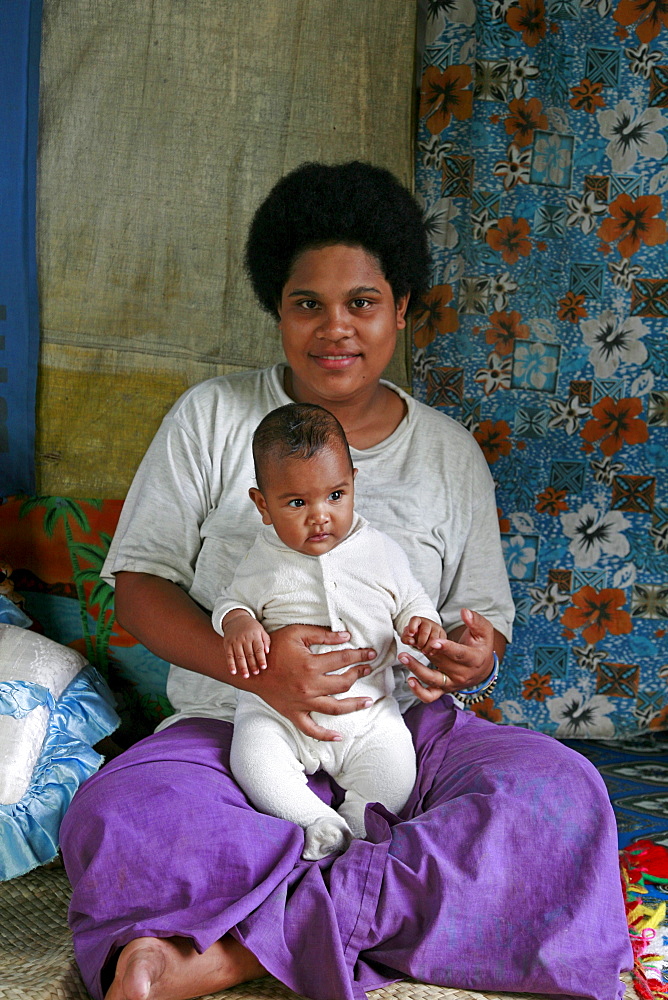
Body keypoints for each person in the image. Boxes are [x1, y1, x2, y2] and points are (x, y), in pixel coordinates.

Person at [60, 160, 631, 1000]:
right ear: (277, 310)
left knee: (562, 797)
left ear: (402, 308)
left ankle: (237, 949)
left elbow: (484, 622)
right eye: (307, 304)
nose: (336, 328)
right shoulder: (212, 419)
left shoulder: (447, 452)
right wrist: (254, 668)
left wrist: (470, 657)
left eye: (362, 302)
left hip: (401, 726)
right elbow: (141, 586)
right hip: (231, 729)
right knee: (115, 817)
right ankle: (378, 904)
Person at [214, 402, 449, 861]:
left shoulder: (380, 551)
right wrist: (238, 621)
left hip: (368, 712)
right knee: (253, 759)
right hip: (277, 713)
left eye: (335, 496)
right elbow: (231, 601)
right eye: (297, 503)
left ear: (354, 484)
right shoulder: (263, 559)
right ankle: (313, 819)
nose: (320, 515)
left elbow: (412, 601)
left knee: (396, 769)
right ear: (263, 505)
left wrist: (423, 625)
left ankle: (360, 824)